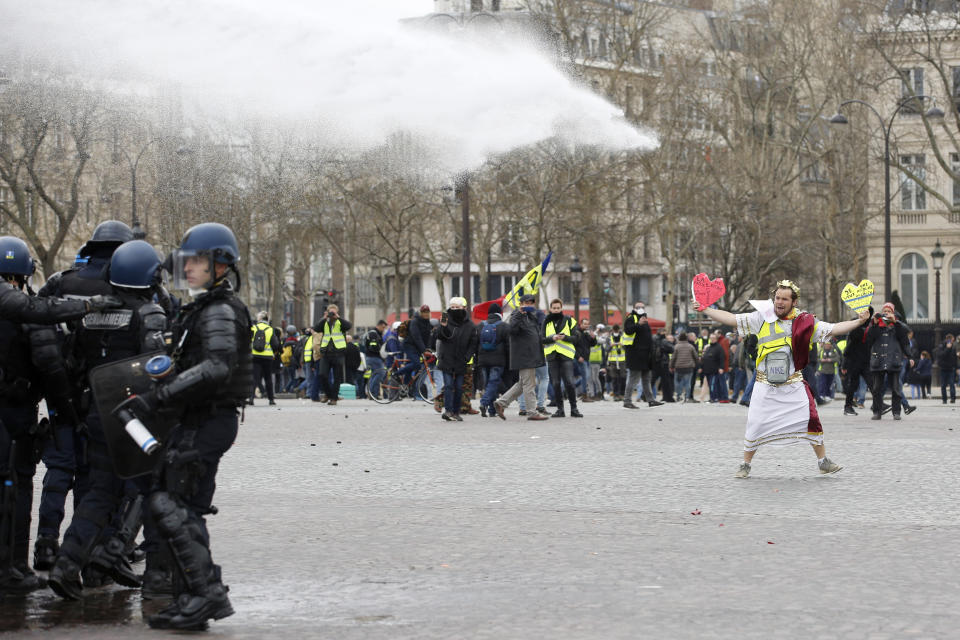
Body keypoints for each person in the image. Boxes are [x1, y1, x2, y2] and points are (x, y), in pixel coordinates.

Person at [113, 222, 252, 630]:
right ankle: (198, 593)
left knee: (170, 505)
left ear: (221, 264)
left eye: (196, 260)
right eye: (185, 260)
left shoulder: (220, 310)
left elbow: (217, 367)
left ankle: (205, 594)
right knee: (181, 506)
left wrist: (159, 397)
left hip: (210, 420)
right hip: (199, 418)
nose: (186, 267)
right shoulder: (206, 307)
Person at [47, 239, 169, 600]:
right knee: (151, 489)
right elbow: (156, 368)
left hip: (98, 411)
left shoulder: (90, 313)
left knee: (99, 493)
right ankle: (116, 555)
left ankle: (67, 564)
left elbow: (73, 360)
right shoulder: (150, 314)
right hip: (137, 417)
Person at [0, 236, 111, 594]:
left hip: (16, 409)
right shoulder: (14, 302)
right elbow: (47, 355)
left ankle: (16, 564)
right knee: (15, 487)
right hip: (14, 413)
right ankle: (12, 569)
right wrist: (88, 306)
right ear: (20, 275)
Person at [31, 222, 132, 571]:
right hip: (112, 394)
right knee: (100, 475)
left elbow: (34, 320)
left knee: (59, 468)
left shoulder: (61, 281)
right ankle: (92, 548)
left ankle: (46, 542)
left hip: (63, 390)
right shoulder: (130, 285)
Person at [696, 279, 868, 478]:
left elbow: (834, 328)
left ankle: (823, 462)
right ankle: (745, 464)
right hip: (764, 384)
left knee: (811, 418)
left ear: (794, 302)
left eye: (784, 299)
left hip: (793, 384)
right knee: (755, 423)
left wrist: (859, 321)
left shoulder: (805, 322)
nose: (779, 302)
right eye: (777, 298)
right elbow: (732, 319)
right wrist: (706, 309)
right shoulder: (760, 317)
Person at [493, 294, 548, 421]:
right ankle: (532, 412)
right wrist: (519, 313)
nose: (529, 305)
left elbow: (536, 335)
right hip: (524, 356)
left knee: (522, 383)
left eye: (531, 303)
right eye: (526, 303)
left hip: (531, 355)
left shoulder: (531, 317)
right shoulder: (516, 316)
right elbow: (511, 330)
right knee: (529, 384)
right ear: (521, 303)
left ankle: (501, 403)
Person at [866, 302, 913, 421]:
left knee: (896, 389)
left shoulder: (898, 325)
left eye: (889, 311)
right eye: (884, 311)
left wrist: (910, 356)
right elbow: (869, 340)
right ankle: (877, 412)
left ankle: (896, 412)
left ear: (893, 312)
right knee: (876, 388)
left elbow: (904, 339)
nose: (886, 313)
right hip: (878, 360)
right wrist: (875, 324)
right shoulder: (876, 326)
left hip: (894, 360)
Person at [436, 297, 477, 422]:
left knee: (459, 387)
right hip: (447, 358)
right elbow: (439, 337)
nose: (454, 309)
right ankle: (448, 411)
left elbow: (473, 342)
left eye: (457, 307)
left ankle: (456, 411)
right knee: (448, 385)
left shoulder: (469, 325)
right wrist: (442, 327)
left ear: (463, 308)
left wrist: (467, 356)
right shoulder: (446, 320)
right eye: (452, 307)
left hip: (461, 360)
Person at [543, 299, 582, 418]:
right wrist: (552, 338)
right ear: (550, 309)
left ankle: (574, 409)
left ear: (561, 308)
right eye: (553, 308)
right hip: (552, 356)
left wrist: (565, 337)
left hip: (566, 356)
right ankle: (560, 410)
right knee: (555, 383)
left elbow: (576, 338)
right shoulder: (546, 321)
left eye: (558, 308)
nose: (556, 310)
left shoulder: (570, 320)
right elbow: (541, 339)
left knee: (569, 382)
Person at [622, 303, 662, 408]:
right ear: (634, 308)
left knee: (646, 378)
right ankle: (627, 401)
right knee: (633, 378)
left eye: (643, 307)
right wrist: (639, 324)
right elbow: (628, 331)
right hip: (635, 354)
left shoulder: (644, 319)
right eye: (638, 307)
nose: (641, 309)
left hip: (646, 355)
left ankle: (650, 400)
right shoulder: (631, 318)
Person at [313, 304, 352, 407]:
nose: (332, 314)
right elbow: (316, 328)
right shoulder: (324, 322)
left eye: (333, 312)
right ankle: (328, 394)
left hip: (338, 353)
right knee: (322, 375)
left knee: (337, 377)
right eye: (330, 312)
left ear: (337, 312)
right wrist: (324, 318)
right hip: (326, 353)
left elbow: (348, 326)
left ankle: (333, 398)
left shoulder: (340, 322)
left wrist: (338, 317)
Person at [476, 302, 509, 417]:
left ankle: (491, 410)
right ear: (500, 313)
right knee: (493, 383)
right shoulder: (504, 326)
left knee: (489, 384)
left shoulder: (480, 325)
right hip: (498, 360)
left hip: (482, 360)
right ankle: (484, 403)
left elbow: (476, 344)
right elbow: (508, 345)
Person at [840, 306, 873, 416]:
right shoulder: (856, 324)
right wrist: (845, 364)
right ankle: (848, 406)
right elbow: (850, 344)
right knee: (854, 384)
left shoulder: (869, 326)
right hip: (855, 361)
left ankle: (879, 404)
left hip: (864, 360)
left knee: (871, 383)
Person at [249, 311, 279, 406]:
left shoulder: (253, 328)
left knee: (255, 378)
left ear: (259, 319)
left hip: (255, 356)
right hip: (267, 357)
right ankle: (271, 399)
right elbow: (275, 344)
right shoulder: (270, 329)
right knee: (268, 378)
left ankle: (251, 398)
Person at [670, 332, 699, 403]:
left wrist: (671, 366)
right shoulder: (691, 346)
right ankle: (687, 397)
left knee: (678, 382)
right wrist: (696, 364)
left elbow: (673, 358)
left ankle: (679, 396)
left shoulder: (676, 346)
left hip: (679, 367)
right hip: (689, 367)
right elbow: (696, 357)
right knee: (688, 383)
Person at [363, 321, 387, 399]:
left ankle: (373, 394)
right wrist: (381, 351)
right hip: (373, 357)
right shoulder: (374, 334)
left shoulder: (376, 334)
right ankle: (372, 393)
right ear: (378, 326)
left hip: (372, 357)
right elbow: (373, 346)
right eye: (383, 327)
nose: (384, 329)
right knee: (381, 373)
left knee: (374, 375)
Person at [700, 332, 726, 403]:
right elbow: (704, 358)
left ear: (716, 339)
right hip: (707, 370)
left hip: (714, 371)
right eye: (711, 338)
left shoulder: (719, 347)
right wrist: (701, 367)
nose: (712, 339)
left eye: (713, 338)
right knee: (709, 385)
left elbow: (722, 358)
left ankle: (714, 398)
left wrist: (721, 367)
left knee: (713, 385)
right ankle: (712, 397)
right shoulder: (708, 347)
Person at [604, 324, 627, 401]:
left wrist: (622, 345)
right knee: (614, 378)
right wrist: (611, 346)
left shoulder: (623, 337)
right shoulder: (609, 338)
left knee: (623, 377)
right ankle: (616, 395)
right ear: (613, 330)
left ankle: (622, 394)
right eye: (615, 330)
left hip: (622, 360)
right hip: (613, 360)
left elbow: (628, 348)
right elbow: (606, 349)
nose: (616, 331)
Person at [934, 334, 957, 403]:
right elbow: (941, 355)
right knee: (943, 385)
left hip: (951, 368)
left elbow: (954, 358)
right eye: (952, 339)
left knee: (951, 384)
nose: (953, 341)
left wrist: (956, 367)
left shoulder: (953, 347)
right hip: (943, 368)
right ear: (949, 339)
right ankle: (944, 399)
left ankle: (952, 399)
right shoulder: (941, 346)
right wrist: (947, 348)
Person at [587, 324, 605, 399]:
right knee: (590, 379)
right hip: (589, 360)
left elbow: (602, 341)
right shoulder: (587, 338)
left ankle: (599, 393)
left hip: (596, 361)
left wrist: (595, 335)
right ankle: (591, 394)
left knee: (595, 378)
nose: (590, 333)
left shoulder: (598, 339)